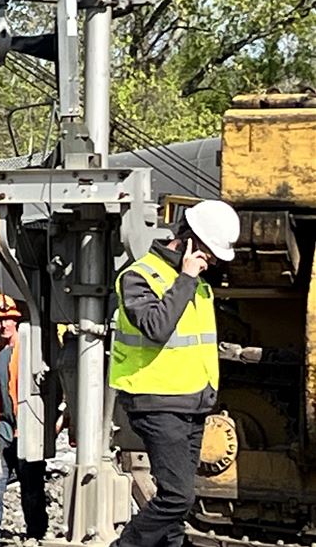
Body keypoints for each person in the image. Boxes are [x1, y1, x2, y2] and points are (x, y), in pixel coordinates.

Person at [110, 199, 239, 547]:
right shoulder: (140, 276)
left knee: (178, 510)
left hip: (193, 403)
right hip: (157, 402)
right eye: (209, 251)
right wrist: (185, 277)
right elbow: (155, 326)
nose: (211, 260)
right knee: (176, 498)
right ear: (189, 239)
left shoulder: (199, 284)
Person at [0, 293, 48, 547]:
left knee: (32, 485)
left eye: (7, 320)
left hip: (27, 426)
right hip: (0, 427)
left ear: (16, 320)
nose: (3, 325)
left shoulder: (30, 353)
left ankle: (36, 532)